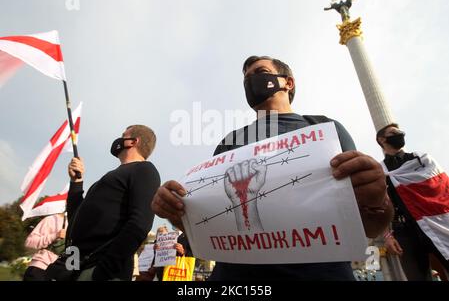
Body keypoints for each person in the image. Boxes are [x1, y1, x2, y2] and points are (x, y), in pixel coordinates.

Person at [151, 55, 394, 280]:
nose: (250, 81)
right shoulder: (231, 142)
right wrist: (178, 214)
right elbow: (209, 234)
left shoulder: (325, 129)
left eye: (260, 72)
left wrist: (377, 197)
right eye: (246, 79)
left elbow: (369, 224)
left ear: (288, 82)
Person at [65, 124, 161, 281]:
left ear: (133, 141)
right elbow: (75, 220)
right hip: (75, 264)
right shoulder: (106, 179)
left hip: (99, 270)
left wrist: (103, 271)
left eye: (123, 135)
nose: (119, 139)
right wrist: (76, 182)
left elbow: (140, 223)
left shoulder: (144, 170)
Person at [376, 123, 449, 281]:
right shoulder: (379, 171)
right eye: (394, 132)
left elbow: (443, 188)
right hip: (404, 231)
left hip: (436, 221)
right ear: (382, 139)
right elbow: (379, 206)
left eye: (400, 132)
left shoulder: (422, 160)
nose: (400, 134)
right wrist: (388, 236)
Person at [23, 213, 66, 281]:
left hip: (61, 274)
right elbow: (29, 242)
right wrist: (55, 235)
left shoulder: (78, 225)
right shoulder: (51, 220)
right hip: (41, 269)